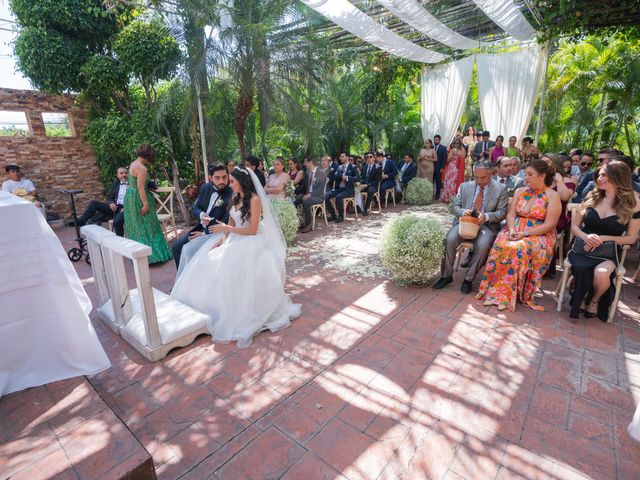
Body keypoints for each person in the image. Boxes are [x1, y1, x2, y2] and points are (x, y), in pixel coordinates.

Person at [171, 166, 301, 348]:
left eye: (232, 181)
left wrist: (228, 230)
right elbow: (231, 222)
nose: (230, 184)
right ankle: (211, 308)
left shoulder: (254, 200)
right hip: (233, 237)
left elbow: (252, 230)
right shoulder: (234, 197)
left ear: (242, 182)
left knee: (231, 269)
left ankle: (240, 311)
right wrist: (222, 240)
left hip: (251, 239)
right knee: (208, 260)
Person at [474, 159, 561, 311]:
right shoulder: (520, 191)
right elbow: (511, 214)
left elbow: (550, 224)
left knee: (517, 248)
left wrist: (524, 234)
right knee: (500, 244)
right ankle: (494, 291)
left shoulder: (553, 196)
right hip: (515, 230)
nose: (525, 177)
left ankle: (507, 295)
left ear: (542, 176)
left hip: (538, 235)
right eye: (525, 174)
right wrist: (513, 230)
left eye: (530, 174)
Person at [567, 161, 640, 321]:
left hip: (608, 250)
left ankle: (594, 299)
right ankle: (581, 292)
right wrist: (586, 236)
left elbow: (632, 238)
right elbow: (574, 226)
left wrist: (605, 238)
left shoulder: (633, 204)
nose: (599, 178)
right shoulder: (591, 196)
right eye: (599, 174)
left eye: (604, 175)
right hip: (582, 246)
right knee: (581, 268)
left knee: (601, 274)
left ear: (618, 177)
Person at [433, 160, 508, 294]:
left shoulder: (500, 188)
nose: (479, 181)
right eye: (476, 177)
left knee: (484, 245)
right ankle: (446, 275)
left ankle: (468, 279)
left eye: (483, 177)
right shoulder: (465, 186)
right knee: (449, 239)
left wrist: (486, 216)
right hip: (465, 223)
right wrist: (462, 212)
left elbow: (502, 213)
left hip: (486, 226)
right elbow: (453, 207)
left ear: (491, 173)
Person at [172, 164, 232, 268]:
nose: (222, 181)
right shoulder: (205, 188)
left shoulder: (231, 193)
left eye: (224, 177)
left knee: (198, 254)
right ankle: (183, 279)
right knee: (176, 247)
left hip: (217, 234)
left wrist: (204, 233)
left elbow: (226, 222)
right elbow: (195, 207)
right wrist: (201, 214)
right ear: (210, 178)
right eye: (217, 178)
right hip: (200, 228)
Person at [123, 144, 173, 264]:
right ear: (148, 156)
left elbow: (135, 184)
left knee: (137, 226)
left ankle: (138, 255)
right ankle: (153, 257)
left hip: (130, 197)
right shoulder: (142, 168)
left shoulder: (133, 163)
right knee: (150, 226)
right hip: (139, 198)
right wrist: (145, 204)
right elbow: (140, 188)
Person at [75, 167, 128, 236]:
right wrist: (111, 203)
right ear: (118, 175)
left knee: (117, 222)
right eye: (121, 173)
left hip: (124, 208)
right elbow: (109, 196)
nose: (124, 175)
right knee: (93, 203)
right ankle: (82, 221)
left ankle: (120, 240)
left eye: (125, 173)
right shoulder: (115, 184)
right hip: (114, 207)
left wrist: (127, 206)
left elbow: (135, 198)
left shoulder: (132, 184)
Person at [325, 152, 358, 223]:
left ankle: (341, 216)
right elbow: (334, 177)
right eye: (340, 157)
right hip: (339, 188)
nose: (340, 158)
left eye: (342, 156)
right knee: (325, 196)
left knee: (338, 197)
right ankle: (333, 215)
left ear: (347, 157)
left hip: (349, 190)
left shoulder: (353, 167)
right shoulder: (339, 167)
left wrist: (348, 178)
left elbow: (358, 178)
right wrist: (341, 176)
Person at [298, 157, 327, 233]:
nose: (304, 164)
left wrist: (310, 194)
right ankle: (299, 221)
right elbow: (304, 187)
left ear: (310, 162)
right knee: (296, 199)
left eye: (306, 162)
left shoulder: (321, 173)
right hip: (308, 195)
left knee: (306, 201)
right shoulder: (307, 173)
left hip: (318, 196)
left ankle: (308, 225)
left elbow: (320, 190)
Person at [433, 135, 447, 199]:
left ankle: (437, 195)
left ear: (439, 140)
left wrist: (442, 167)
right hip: (431, 168)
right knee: (431, 181)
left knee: (438, 182)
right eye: (434, 140)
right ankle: (431, 193)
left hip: (439, 168)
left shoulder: (443, 148)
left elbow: (444, 158)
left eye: (437, 140)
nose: (435, 141)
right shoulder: (431, 147)